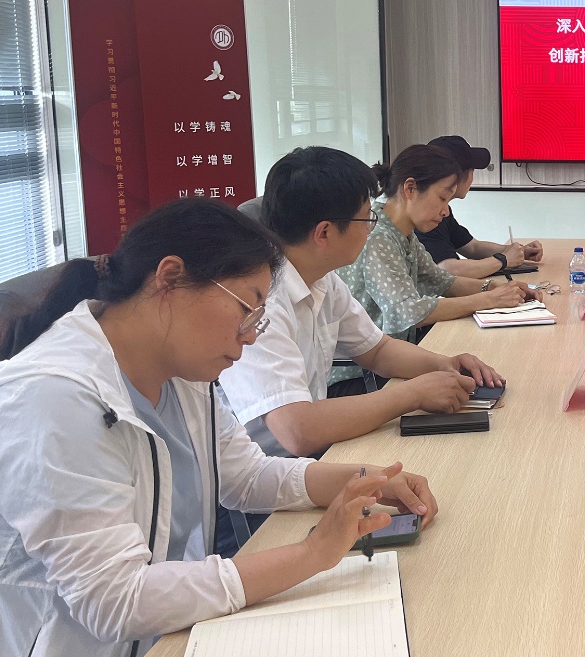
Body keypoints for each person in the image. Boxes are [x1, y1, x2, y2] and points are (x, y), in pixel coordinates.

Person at [0, 199, 438, 657]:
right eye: (247, 309)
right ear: (170, 278)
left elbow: (246, 475)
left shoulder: (180, 374)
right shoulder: (50, 399)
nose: (251, 335)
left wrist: (364, 480)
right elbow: (115, 600)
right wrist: (312, 553)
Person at [216, 146, 499, 553]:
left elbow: (377, 350)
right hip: (259, 495)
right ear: (324, 233)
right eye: (367, 218)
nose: (372, 228)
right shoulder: (263, 299)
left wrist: (445, 365)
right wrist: (411, 394)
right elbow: (297, 431)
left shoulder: (322, 278)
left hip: (310, 465)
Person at [338, 144, 535, 346]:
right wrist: (490, 299)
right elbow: (409, 312)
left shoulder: (402, 232)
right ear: (410, 188)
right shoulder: (378, 236)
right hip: (367, 363)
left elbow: (441, 281)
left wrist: (496, 288)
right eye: (442, 198)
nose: (446, 211)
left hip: (393, 352)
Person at [417, 135, 542, 277]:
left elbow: (472, 247)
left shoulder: (443, 210)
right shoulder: (427, 214)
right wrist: (504, 260)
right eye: (472, 170)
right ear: (454, 177)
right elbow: (448, 269)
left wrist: (516, 252)